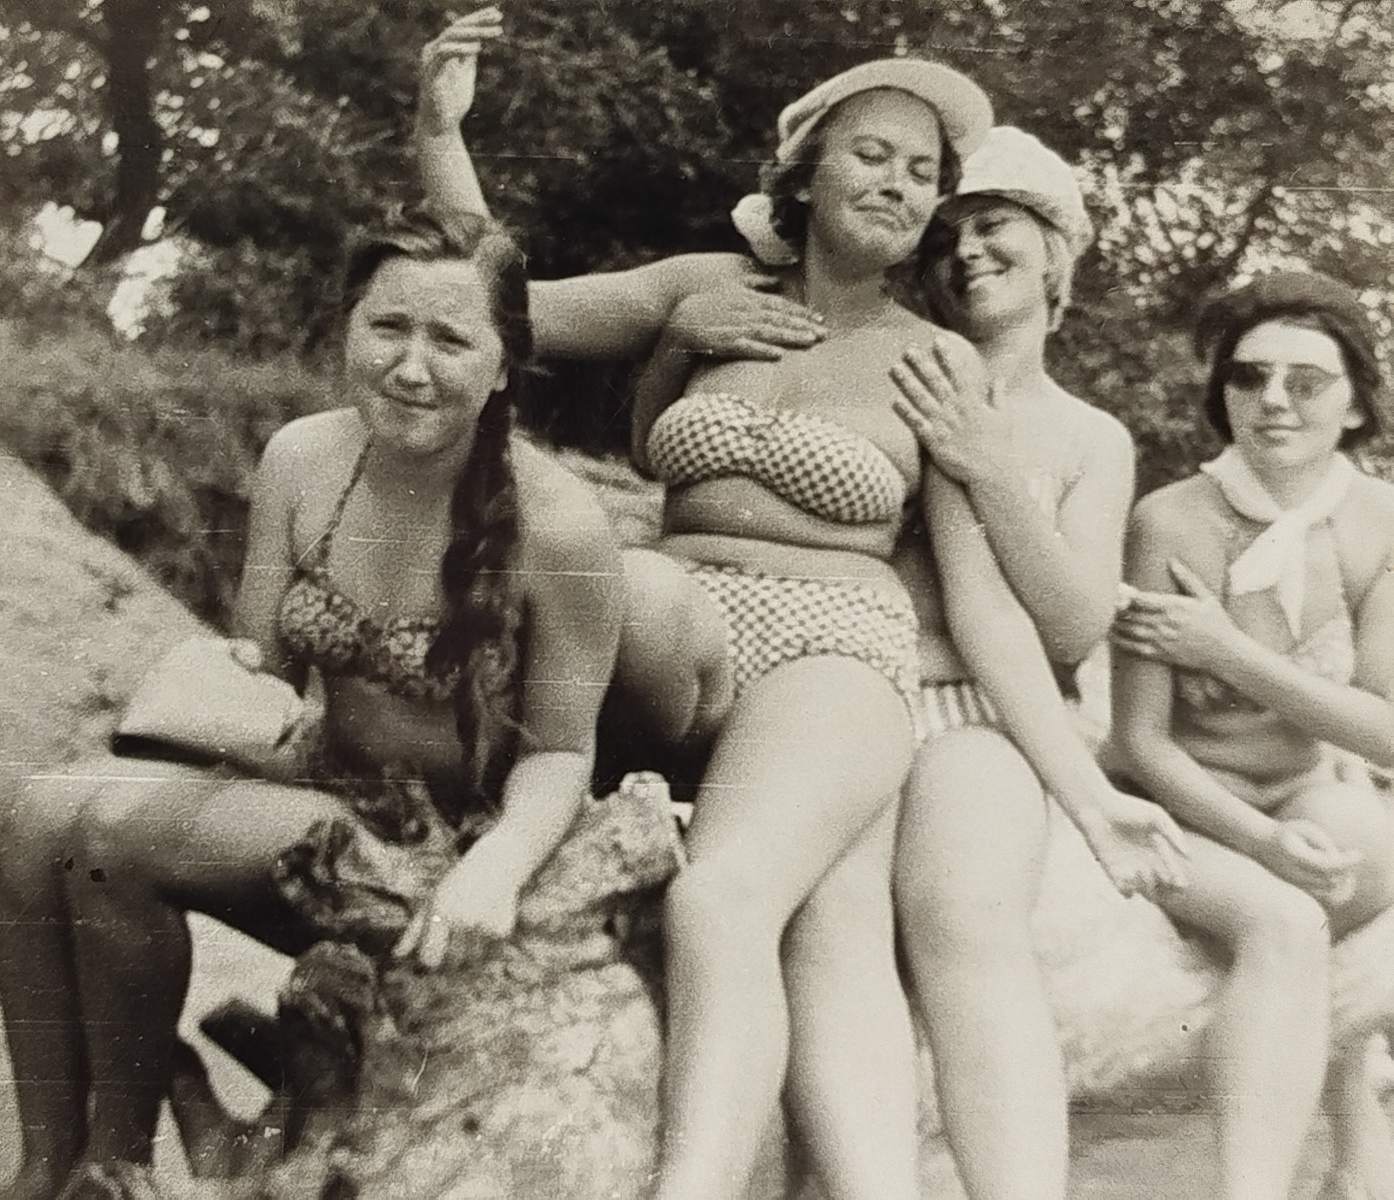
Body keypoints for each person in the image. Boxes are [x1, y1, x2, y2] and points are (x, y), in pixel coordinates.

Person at [416, 13, 1184, 1198]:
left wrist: (1087, 799)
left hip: (831, 654)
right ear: (807, 166)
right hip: (677, 631)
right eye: (872, 152)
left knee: (738, 898)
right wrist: (439, 132)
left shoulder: (935, 359)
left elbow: (986, 612)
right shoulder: (706, 287)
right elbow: (493, 303)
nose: (898, 182)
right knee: (625, 578)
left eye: (923, 172)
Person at [0, 207, 624, 1199]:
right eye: (388, 327)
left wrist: (491, 872)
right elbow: (268, 677)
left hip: (448, 852)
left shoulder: (563, 527)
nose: (410, 367)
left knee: (114, 836)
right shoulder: (300, 458)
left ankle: (112, 1170)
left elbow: (559, 755)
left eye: (450, 339)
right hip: (318, 782)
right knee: (37, 818)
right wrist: (224, 688)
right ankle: (46, 1167)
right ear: (348, 326)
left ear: (503, 366)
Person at [833, 126, 1141, 1200]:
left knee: (964, 916)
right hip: (854, 684)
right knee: (837, 929)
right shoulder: (893, 363)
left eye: (995, 226)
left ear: (1057, 252)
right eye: (950, 233)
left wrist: (993, 470)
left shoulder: (1091, 438)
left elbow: (1071, 629)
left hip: (988, 715)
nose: (966, 251)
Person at [1111, 269, 1394, 1200]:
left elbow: (1388, 731)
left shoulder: (1377, 521)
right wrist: (1262, 840)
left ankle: (1356, 1142)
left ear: (1356, 406)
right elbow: (1143, 741)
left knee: (1378, 848)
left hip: (1308, 785)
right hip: (1185, 798)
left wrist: (1230, 654)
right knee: (1289, 925)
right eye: (1248, 377)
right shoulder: (1170, 519)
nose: (1272, 400)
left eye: (1306, 382)